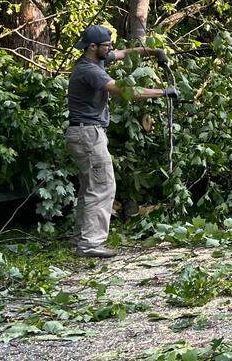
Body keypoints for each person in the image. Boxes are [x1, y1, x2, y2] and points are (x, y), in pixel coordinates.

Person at [67, 25, 176, 258]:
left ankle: (81, 238)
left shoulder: (98, 59)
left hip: (84, 133)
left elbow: (126, 53)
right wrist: (163, 92)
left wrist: (154, 51)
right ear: (92, 47)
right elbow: (126, 91)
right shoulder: (90, 70)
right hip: (88, 135)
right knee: (103, 186)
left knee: (90, 187)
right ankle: (90, 244)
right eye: (106, 46)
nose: (111, 49)